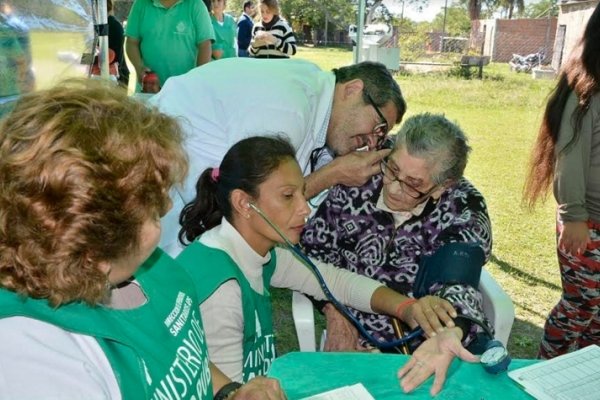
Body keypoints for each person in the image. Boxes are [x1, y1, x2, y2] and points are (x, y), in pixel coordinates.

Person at [0, 80, 286, 400]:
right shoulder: (37, 358)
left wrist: (230, 393)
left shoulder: (148, 268)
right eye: (151, 207)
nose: (165, 207)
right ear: (97, 239)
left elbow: (177, 354)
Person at [176, 135, 459, 383]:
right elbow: (231, 393)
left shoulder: (257, 252)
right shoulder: (224, 288)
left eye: (302, 192)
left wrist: (407, 308)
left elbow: (335, 281)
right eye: (288, 196)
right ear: (243, 203)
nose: (305, 210)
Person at [300, 113, 493, 396]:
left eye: (413, 184)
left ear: (443, 186)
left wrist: (454, 330)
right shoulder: (359, 177)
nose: (392, 187)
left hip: (421, 348)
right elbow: (313, 249)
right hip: (352, 330)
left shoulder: (463, 208)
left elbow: (458, 284)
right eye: (392, 169)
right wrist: (334, 311)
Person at [150, 58, 406, 257]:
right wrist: (333, 174)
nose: (372, 142)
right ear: (353, 89)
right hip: (153, 173)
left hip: (173, 185)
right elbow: (250, 207)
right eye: (378, 126)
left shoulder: (314, 88)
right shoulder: (290, 111)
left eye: (381, 137)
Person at [523, 2, 600, 360]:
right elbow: (570, 156)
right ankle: (544, 367)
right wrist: (573, 216)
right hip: (585, 221)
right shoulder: (586, 88)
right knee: (581, 305)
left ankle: (583, 374)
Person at [125, 0, 215, 90]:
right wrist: (139, 68)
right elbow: (131, 42)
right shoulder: (141, 4)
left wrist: (198, 78)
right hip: (148, 89)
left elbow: (205, 45)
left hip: (186, 89)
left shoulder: (195, 5)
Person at [107, 0, 130, 87]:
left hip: (116, 79)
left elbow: (112, 58)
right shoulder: (91, 27)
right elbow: (87, 52)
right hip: (99, 77)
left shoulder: (114, 26)